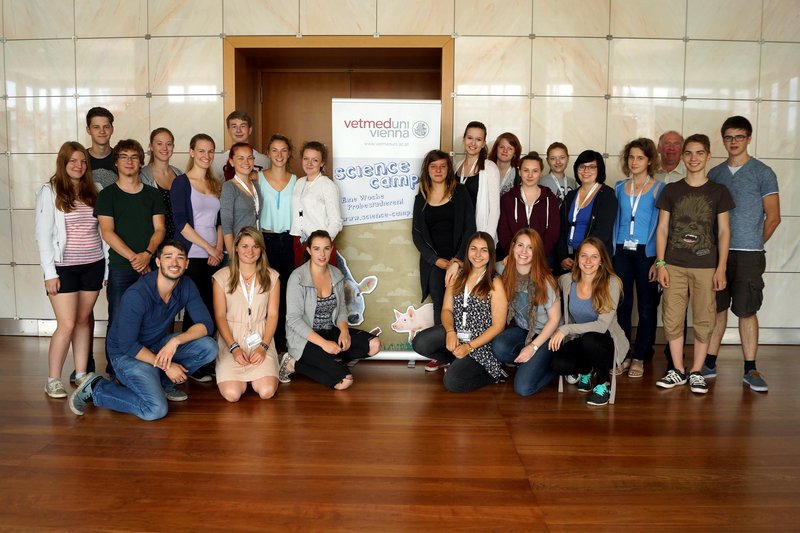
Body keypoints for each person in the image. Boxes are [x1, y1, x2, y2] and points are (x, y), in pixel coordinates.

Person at [68, 240, 218, 420]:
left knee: (209, 347)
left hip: (156, 345)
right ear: (158, 262)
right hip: (126, 355)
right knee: (155, 409)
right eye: (168, 257)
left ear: (187, 263)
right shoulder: (137, 294)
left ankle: (163, 383)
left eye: (180, 257)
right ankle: (96, 388)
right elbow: (128, 345)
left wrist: (175, 341)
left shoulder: (186, 285)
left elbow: (206, 324)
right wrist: (167, 365)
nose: (174, 262)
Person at [654, 134, 734, 395]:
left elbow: (724, 232)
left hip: (706, 266)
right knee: (672, 317)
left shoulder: (719, 192)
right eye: (688, 153)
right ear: (682, 156)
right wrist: (661, 263)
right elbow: (662, 228)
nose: (693, 158)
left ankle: (697, 371)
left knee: (704, 319)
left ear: (708, 156)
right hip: (674, 265)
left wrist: (721, 268)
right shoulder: (671, 190)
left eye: (699, 153)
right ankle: (678, 370)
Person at [706, 116, 781, 392]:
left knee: (747, 310)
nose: (733, 142)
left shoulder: (763, 172)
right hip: (717, 254)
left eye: (739, 136)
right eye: (728, 137)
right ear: (723, 140)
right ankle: (709, 363)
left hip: (749, 254)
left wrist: (753, 243)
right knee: (717, 308)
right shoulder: (715, 174)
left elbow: (773, 217)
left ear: (749, 138)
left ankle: (750, 368)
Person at [35, 142, 104, 398]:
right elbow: (42, 236)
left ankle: (81, 373)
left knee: (84, 320)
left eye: (83, 161)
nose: (79, 165)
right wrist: (49, 273)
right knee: (66, 324)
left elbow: (103, 231)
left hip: (93, 264)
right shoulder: (50, 191)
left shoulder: (94, 190)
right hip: (63, 268)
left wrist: (106, 269)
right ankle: (53, 379)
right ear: (63, 163)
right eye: (73, 161)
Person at [95, 139, 166, 379]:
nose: (129, 161)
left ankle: (151, 368)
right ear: (116, 162)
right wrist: (136, 259)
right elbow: (107, 232)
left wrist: (147, 254)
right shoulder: (107, 195)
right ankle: (115, 371)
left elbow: (160, 229)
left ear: (141, 162)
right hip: (121, 268)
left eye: (134, 157)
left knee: (152, 318)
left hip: (150, 266)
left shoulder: (153, 194)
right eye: (124, 156)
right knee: (118, 319)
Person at [280, 230, 381, 389]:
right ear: (309, 250)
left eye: (326, 248)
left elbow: (341, 309)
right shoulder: (297, 277)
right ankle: (293, 364)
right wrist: (324, 344)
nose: (322, 254)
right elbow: (293, 320)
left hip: (329, 331)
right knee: (344, 382)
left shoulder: (336, 274)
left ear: (331, 249)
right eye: (317, 249)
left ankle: (330, 361)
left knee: (374, 345)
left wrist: (344, 331)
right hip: (305, 339)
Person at [412, 232, 508, 392]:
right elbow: (446, 310)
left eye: (484, 250)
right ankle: (457, 360)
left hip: (480, 344)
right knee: (420, 342)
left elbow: (498, 326)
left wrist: (469, 347)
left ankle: (494, 374)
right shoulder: (457, 276)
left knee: (452, 382)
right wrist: (450, 332)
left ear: (491, 254)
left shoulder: (495, 282)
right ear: (467, 251)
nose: (478, 254)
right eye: (473, 249)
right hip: (457, 333)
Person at [548, 237, 629, 406]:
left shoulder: (611, 283)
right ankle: (586, 370)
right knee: (558, 365)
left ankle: (603, 384)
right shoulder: (567, 280)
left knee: (590, 339)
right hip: (580, 339)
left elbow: (602, 326)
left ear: (601, 260)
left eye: (594, 256)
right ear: (577, 259)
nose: (588, 261)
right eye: (583, 256)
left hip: (606, 341)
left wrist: (565, 329)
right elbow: (545, 281)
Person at [611, 138, 666, 378]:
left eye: (640, 158)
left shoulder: (659, 188)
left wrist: (658, 260)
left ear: (650, 161)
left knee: (646, 307)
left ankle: (640, 356)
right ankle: (623, 354)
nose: (634, 162)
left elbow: (663, 226)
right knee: (623, 305)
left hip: (647, 253)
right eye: (631, 157)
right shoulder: (619, 187)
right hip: (621, 250)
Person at [411, 150, 476, 338]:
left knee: (462, 305)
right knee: (440, 307)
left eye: (442, 166)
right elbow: (416, 234)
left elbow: (470, 228)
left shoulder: (460, 192)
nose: (438, 170)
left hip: (460, 260)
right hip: (435, 264)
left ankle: (462, 349)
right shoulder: (421, 198)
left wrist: (458, 260)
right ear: (427, 170)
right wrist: (435, 260)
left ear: (448, 169)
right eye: (433, 166)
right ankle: (443, 349)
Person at [212, 227, 280, 401]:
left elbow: (273, 315)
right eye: (245, 246)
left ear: (261, 250)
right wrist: (233, 348)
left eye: (255, 246)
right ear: (236, 248)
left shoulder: (272, 276)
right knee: (232, 394)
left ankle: (265, 369)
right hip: (231, 338)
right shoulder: (221, 277)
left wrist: (264, 346)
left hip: (261, 337)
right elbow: (220, 316)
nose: (250, 251)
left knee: (266, 391)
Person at [492, 229, 561, 396]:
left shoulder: (545, 281)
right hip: (525, 329)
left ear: (537, 252)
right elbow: (480, 265)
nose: (524, 251)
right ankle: (530, 364)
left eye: (530, 247)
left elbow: (555, 320)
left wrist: (533, 347)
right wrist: (456, 265)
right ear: (513, 246)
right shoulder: (504, 269)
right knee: (498, 347)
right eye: (520, 245)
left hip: (548, 335)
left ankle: (555, 368)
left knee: (523, 388)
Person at [171, 133, 224, 334]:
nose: (206, 156)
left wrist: (218, 250)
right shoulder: (181, 183)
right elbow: (181, 223)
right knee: (196, 309)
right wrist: (209, 248)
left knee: (212, 306)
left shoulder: (215, 184)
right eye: (201, 151)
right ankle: (192, 352)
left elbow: (220, 222)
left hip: (214, 256)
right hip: (192, 255)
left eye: (210, 151)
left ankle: (208, 351)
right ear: (191, 152)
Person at [257, 133, 297, 352]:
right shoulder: (257, 178)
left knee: (287, 292)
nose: (279, 155)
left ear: (289, 153)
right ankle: (265, 341)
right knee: (265, 291)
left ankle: (283, 343)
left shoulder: (297, 181)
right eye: (274, 150)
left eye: (283, 150)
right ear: (268, 153)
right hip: (265, 240)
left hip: (289, 241)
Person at [554, 150, 617, 274]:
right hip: (569, 258)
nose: (586, 171)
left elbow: (603, 232)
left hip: (591, 259)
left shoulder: (607, 195)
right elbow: (560, 228)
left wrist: (582, 256)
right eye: (582, 166)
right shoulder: (571, 196)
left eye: (592, 167)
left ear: (599, 170)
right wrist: (562, 256)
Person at [497, 151, 560, 261]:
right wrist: (515, 254)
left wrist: (538, 255)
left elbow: (553, 232)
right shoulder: (507, 199)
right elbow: (503, 231)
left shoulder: (550, 199)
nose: (530, 175)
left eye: (535, 171)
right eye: (526, 170)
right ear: (519, 172)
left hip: (542, 257)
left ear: (541, 173)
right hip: (513, 256)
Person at [289, 141, 343, 267]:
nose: (309, 163)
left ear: (322, 163)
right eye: (306, 158)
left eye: (315, 160)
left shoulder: (327, 185)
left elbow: (336, 222)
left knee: (319, 278)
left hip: (319, 245)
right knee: (302, 277)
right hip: (299, 240)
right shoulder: (299, 182)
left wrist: (322, 245)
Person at [456, 121, 500, 241]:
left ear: (483, 143)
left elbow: (495, 210)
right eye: (470, 138)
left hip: (480, 232)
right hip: (458, 232)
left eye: (478, 139)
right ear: (464, 139)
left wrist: (487, 239)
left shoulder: (489, 168)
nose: (473, 143)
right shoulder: (457, 166)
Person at [221, 142, 262, 258]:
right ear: (231, 161)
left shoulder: (256, 186)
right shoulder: (229, 187)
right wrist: (232, 256)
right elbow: (226, 226)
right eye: (241, 158)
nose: (246, 162)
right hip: (238, 249)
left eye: (250, 158)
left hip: (256, 247)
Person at [141, 127, 182, 241]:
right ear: (151, 146)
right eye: (159, 144)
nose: (164, 148)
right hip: (155, 239)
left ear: (173, 147)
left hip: (179, 238)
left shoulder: (179, 174)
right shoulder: (142, 176)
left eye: (169, 144)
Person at [212, 110, 269, 181]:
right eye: (234, 126)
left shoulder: (265, 161)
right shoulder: (217, 162)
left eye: (242, 126)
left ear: (250, 130)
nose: (238, 130)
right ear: (229, 130)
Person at [85, 107, 117, 189]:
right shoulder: (81, 160)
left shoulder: (122, 159)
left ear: (112, 129)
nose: (102, 131)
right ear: (88, 130)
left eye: (106, 127)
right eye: (96, 127)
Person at [541, 142, 577, 207]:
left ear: (568, 158)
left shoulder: (572, 182)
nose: (558, 162)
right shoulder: (541, 182)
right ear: (547, 160)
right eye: (553, 158)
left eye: (562, 157)